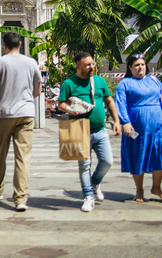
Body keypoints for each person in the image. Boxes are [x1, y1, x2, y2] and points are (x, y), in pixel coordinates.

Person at [0, 31, 42, 211]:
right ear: (21, 44)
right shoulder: (31, 62)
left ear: (4, 45)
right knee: (23, 157)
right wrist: (25, 100)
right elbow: (38, 89)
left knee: (0, 153)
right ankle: (20, 199)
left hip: (4, 113)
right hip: (26, 114)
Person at [58, 52, 121, 212]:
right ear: (78, 66)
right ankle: (88, 196)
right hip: (80, 129)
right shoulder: (69, 83)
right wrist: (70, 109)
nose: (91, 67)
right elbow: (60, 104)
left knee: (107, 161)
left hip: (100, 130)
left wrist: (117, 121)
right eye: (87, 65)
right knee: (84, 165)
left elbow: (109, 101)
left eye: (92, 64)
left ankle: (94, 183)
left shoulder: (99, 81)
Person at [115, 53, 162, 203]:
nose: (140, 67)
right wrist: (125, 122)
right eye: (136, 65)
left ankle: (156, 188)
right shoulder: (124, 84)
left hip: (157, 129)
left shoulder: (155, 81)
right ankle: (139, 190)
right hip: (136, 130)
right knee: (138, 156)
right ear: (130, 68)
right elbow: (121, 104)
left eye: (142, 64)